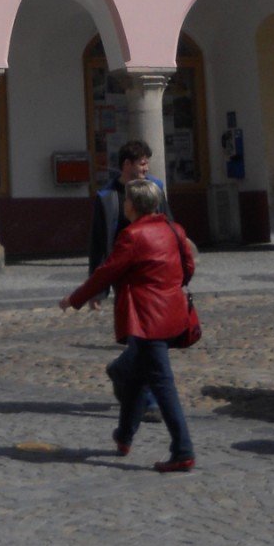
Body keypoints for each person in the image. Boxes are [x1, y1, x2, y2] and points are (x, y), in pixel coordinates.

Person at [60, 178, 196, 472]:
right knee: (136, 377)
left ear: (133, 205)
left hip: (146, 318)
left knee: (162, 383)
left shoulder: (132, 236)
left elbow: (105, 273)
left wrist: (74, 298)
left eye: (127, 201)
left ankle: (183, 449)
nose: (124, 205)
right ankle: (124, 436)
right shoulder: (175, 229)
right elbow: (188, 268)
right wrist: (168, 286)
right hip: (170, 313)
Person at [88, 139, 171, 415]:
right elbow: (98, 246)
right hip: (123, 277)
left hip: (153, 274)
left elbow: (169, 227)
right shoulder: (107, 197)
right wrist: (96, 289)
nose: (146, 168)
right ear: (127, 165)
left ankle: (122, 370)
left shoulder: (155, 188)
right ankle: (147, 401)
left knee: (146, 338)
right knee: (141, 336)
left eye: (148, 162)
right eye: (142, 163)